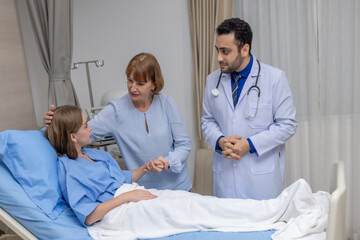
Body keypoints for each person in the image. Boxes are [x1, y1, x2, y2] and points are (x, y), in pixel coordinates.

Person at [44, 105, 322, 240]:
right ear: (71, 137)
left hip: (134, 197)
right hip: (120, 213)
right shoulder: (68, 170)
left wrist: (145, 167)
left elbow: (124, 179)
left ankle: (275, 209)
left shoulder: (93, 154)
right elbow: (90, 215)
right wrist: (127, 199)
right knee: (195, 213)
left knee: (199, 203)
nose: (90, 128)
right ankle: (272, 218)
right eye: (84, 126)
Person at [44, 53, 192, 191]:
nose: (132, 88)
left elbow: (184, 145)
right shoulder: (115, 111)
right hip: (146, 192)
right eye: (130, 80)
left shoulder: (167, 104)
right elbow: (78, 132)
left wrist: (168, 161)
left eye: (140, 83)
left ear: (154, 84)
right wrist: (53, 124)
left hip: (180, 186)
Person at [201, 18, 297, 200]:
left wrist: (249, 145)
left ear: (245, 50)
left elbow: (287, 125)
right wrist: (220, 141)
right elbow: (207, 121)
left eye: (225, 51)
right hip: (226, 178)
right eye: (217, 50)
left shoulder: (275, 79)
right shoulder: (212, 80)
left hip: (261, 181)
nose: (219, 58)